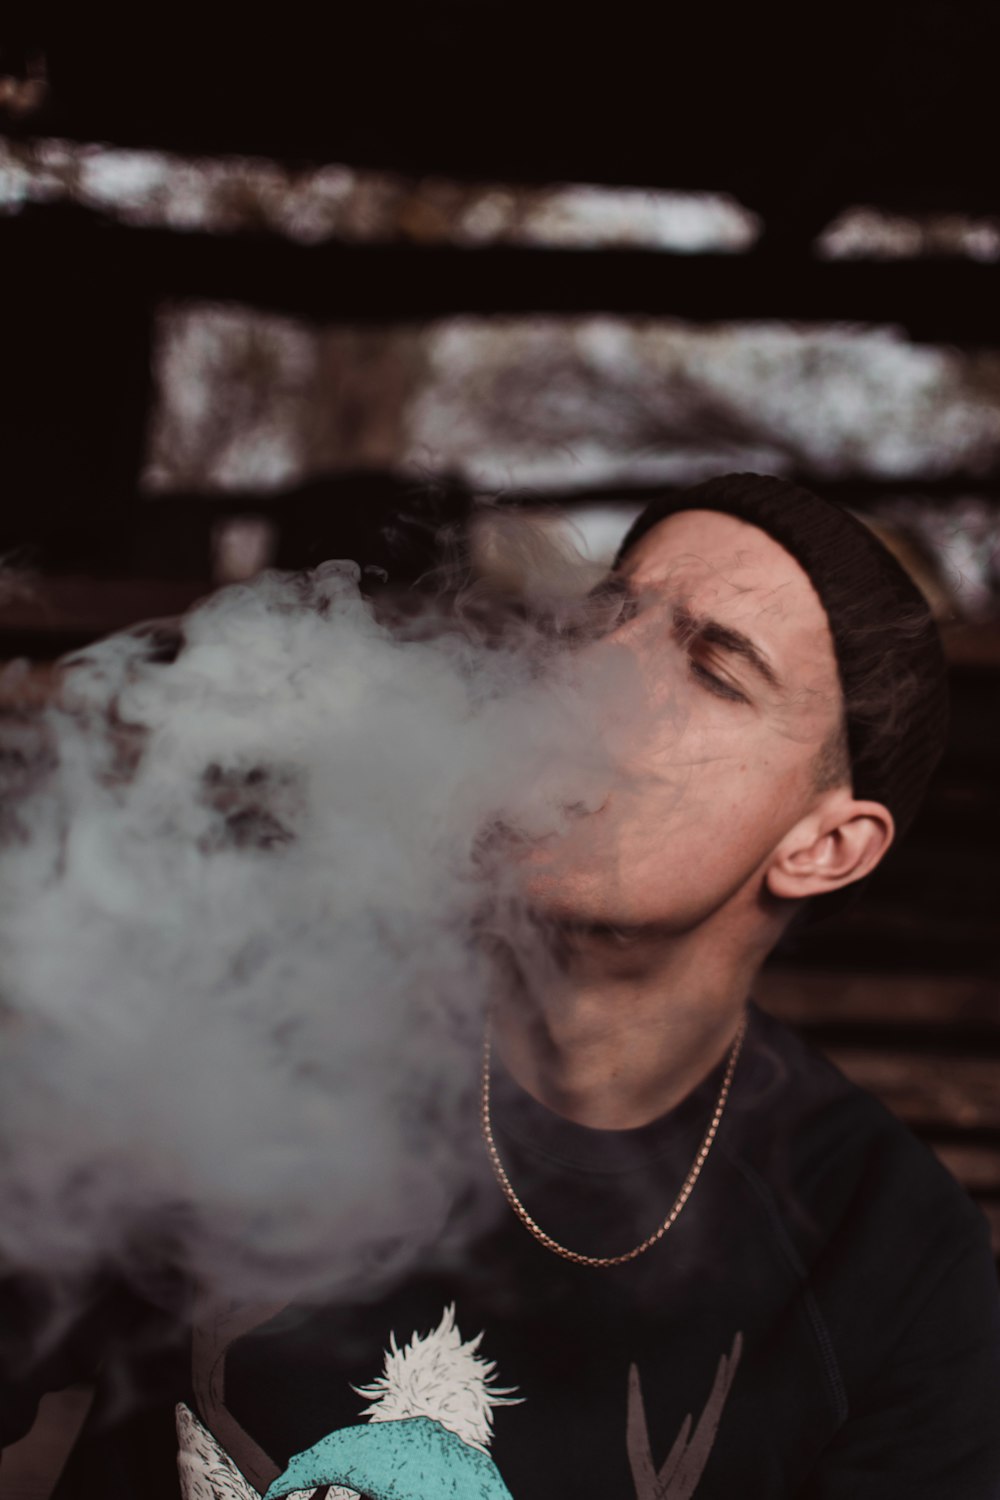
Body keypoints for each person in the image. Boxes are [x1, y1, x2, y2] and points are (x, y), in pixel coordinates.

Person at [2, 473, 998, 1498]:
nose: (597, 675)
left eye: (711, 670)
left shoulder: (891, 1257)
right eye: (607, 620)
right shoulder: (251, 1031)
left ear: (825, 845)